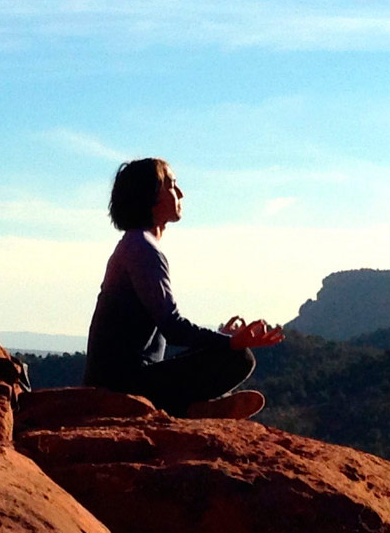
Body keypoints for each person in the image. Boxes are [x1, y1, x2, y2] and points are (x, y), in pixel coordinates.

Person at [84, 158, 283, 418]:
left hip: (123, 378)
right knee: (239, 358)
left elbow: (168, 328)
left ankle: (196, 407)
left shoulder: (136, 245)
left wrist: (218, 340)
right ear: (151, 194)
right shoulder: (141, 248)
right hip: (122, 386)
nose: (181, 193)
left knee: (224, 350)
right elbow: (174, 327)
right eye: (172, 185)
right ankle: (191, 409)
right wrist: (230, 342)